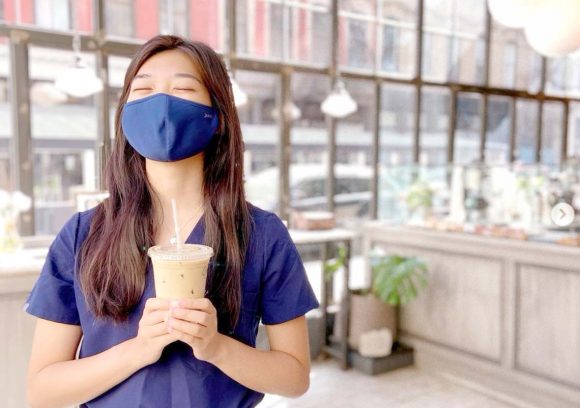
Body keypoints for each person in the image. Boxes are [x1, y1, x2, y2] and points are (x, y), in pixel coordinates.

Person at [24, 35, 319, 408]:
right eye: (142, 89)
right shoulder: (82, 235)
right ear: (126, 116)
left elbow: (294, 378)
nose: (159, 103)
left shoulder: (262, 236)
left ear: (217, 118)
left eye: (182, 88)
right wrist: (141, 349)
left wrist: (215, 346)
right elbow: (41, 391)